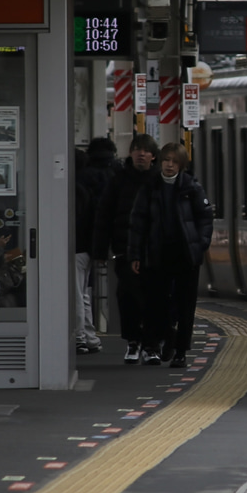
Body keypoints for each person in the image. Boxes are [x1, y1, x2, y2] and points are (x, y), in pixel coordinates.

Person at [128, 143, 213, 368]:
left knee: (186, 305)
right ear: (160, 161)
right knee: (156, 302)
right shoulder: (150, 187)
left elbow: (205, 218)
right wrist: (135, 254)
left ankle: (181, 351)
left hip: (185, 254)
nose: (169, 165)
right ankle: (162, 340)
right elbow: (138, 223)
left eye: (175, 161)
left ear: (182, 165)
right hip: (157, 253)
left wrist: (200, 244)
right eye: (166, 160)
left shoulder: (191, 187)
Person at [90, 134, 159, 363]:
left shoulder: (159, 181)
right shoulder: (118, 180)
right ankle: (133, 341)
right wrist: (100, 251)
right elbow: (104, 216)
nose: (141, 154)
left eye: (146, 150)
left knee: (154, 298)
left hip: (155, 251)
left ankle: (151, 345)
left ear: (153, 156)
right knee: (128, 297)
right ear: (130, 153)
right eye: (137, 149)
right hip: (124, 250)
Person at [73, 149, 101, 355]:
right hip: (87, 248)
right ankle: (90, 337)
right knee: (83, 294)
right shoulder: (89, 187)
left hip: (75, 248)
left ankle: (80, 338)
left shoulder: (73, 190)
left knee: (76, 294)